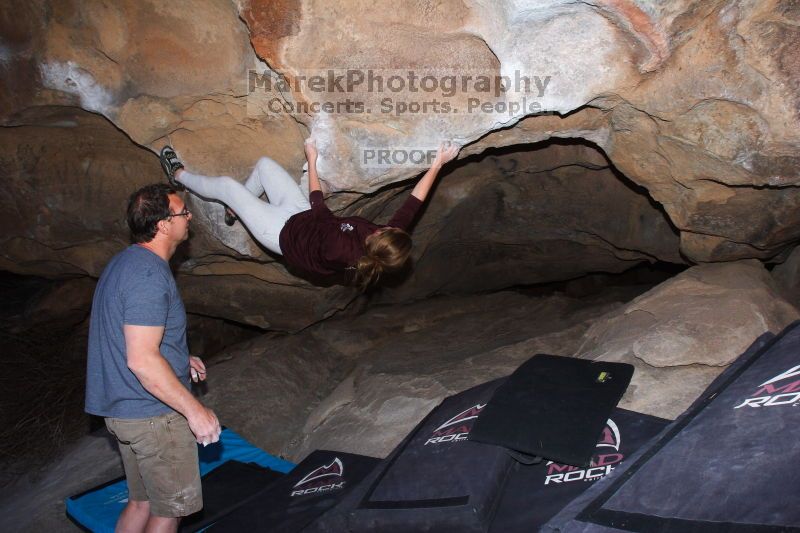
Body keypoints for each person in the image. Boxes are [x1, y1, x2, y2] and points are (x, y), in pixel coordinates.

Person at [85, 183, 221, 532]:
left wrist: (178, 356)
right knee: (169, 510)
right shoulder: (148, 275)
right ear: (163, 224)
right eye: (182, 212)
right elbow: (142, 359)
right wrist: (195, 411)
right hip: (154, 416)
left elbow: (131, 336)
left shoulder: (125, 263)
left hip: (125, 410)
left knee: (141, 501)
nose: (188, 217)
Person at [159, 139, 459, 288]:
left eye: (383, 231)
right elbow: (413, 205)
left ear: (377, 244)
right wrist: (438, 163)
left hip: (282, 234)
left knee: (226, 185)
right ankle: (237, 208)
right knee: (264, 165)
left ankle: (179, 174)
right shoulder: (385, 241)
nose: (384, 227)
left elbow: (318, 203)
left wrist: (311, 160)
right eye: (389, 229)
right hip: (302, 217)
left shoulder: (341, 248)